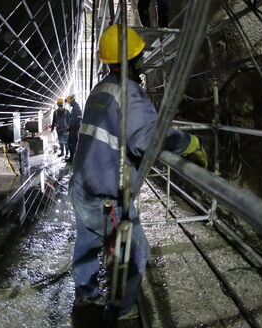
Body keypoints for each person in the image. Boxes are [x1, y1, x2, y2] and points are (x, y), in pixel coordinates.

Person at [68, 24, 207, 321]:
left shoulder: (100, 89)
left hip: (82, 185)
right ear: (133, 60)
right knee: (134, 253)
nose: (144, 59)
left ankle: (86, 295)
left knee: (88, 242)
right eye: (140, 54)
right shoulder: (129, 92)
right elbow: (148, 139)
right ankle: (121, 311)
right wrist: (189, 142)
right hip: (106, 194)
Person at [66, 94, 83, 163]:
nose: (69, 104)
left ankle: (72, 158)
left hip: (74, 129)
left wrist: (70, 127)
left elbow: (75, 120)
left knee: (71, 143)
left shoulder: (76, 108)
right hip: (75, 129)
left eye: (69, 103)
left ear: (72, 101)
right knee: (74, 143)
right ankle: (74, 158)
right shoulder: (76, 107)